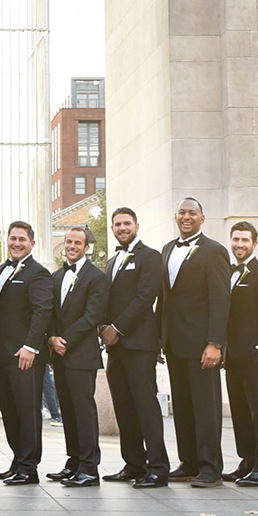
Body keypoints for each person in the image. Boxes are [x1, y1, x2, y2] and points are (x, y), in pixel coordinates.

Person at [157, 197, 230, 488]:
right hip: (174, 343)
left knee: (206, 407)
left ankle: (211, 467)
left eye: (192, 213)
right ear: (175, 216)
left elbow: (221, 300)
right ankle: (188, 462)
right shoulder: (166, 249)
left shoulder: (214, 251)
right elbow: (164, 298)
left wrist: (215, 343)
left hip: (202, 344)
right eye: (182, 212)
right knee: (183, 406)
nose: (186, 217)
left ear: (202, 218)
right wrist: (159, 337)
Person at [99, 207, 169, 487]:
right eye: (117, 224)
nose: (122, 228)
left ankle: (158, 468)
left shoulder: (150, 256)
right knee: (124, 407)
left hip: (139, 345)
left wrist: (116, 329)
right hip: (115, 347)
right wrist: (103, 328)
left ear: (136, 226)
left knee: (146, 407)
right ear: (112, 228)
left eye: (127, 223)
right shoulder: (112, 261)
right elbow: (105, 300)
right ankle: (134, 464)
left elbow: (144, 298)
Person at [0, 221, 52, 485]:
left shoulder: (39, 273)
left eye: (22, 239)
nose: (16, 243)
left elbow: (42, 311)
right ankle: (17, 462)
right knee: (11, 412)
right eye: (13, 238)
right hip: (2, 356)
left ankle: (29, 468)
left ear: (32, 243)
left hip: (25, 356)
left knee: (28, 413)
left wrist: (31, 347)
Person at [45, 225, 108, 487]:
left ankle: (89, 469)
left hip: (81, 356)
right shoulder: (56, 276)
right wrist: (51, 338)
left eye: (77, 243)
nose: (71, 246)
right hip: (59, 355)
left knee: (84, 412)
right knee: (68, 412)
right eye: (68, 242)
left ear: (86, 247)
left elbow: (92, 316)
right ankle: (73, 462)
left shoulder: (96, 277)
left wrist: (65, 341)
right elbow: (50, 312)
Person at [223, 222, 258, 486]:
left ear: (255, 244)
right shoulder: (227, 272)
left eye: (245, 240)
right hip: (232, 355)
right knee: (240, 411)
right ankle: (247, 462)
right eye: (236, 239)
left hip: (255, 356)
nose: (239, 244)